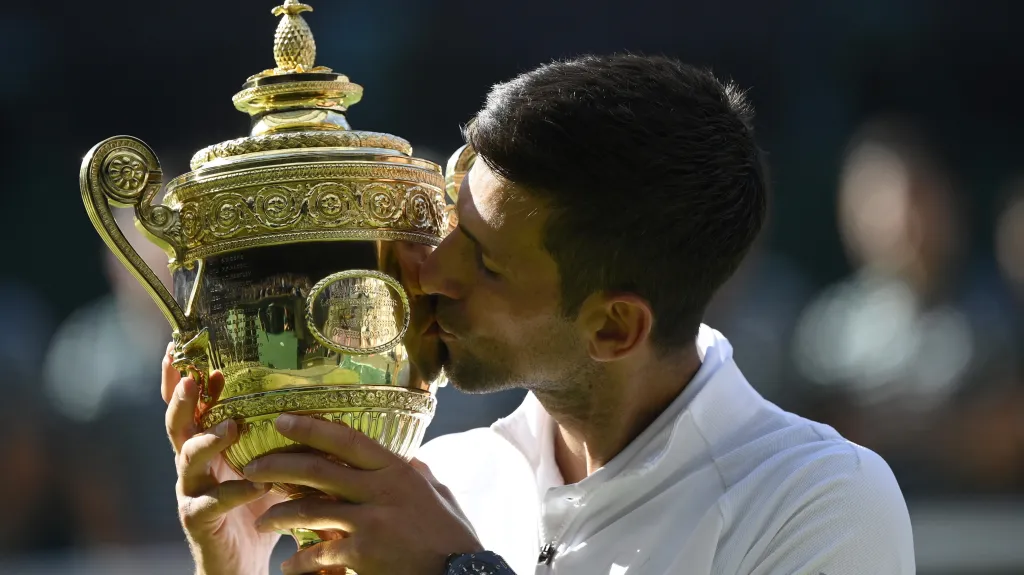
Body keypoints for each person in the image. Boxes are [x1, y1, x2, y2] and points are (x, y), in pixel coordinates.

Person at [162, 54, 915, 575]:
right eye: (450, 222)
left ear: (615, 327)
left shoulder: (820, 498)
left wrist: (459, 570)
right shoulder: (441, 477)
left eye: (484, 262)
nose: (427, 266)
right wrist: (236, 557)